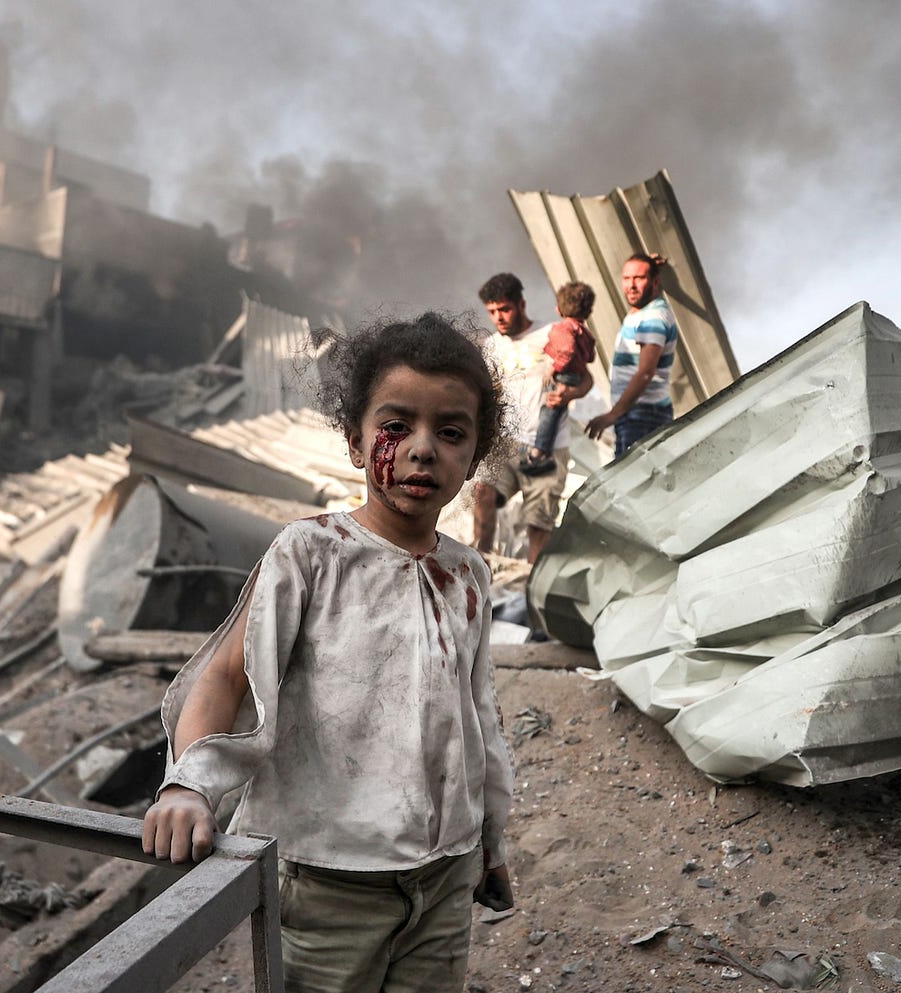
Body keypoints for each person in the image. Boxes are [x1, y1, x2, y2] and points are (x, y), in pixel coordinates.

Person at [142, 313, 515, 993]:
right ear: (355, 441)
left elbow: (476, 713)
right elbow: (227, 673)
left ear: (473, 456)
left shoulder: (468, 574)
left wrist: (489, 837)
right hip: (327, 883)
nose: (423, 449)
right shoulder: (310, 552)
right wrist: (186, 783)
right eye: (397, 425)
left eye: (451, 432)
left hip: (444, 876)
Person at [473, 273, 593, 564]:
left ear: (521, 304)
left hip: (547, 448)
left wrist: (568, 394)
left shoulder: (552, 333)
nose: (499, 318)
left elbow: (586, 380)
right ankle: (479, 565)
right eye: (492, 311)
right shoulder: (492, 346)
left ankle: (529, 589)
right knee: (482, 495)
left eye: (504, 309)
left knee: (538, 527)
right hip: (507, 444)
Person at [586, 253, 678, 457]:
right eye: (627, 278)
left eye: (639, 278)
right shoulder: (647, 309)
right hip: (639, 413)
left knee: (634, 483)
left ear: (655, 282)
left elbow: (646, 372)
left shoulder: (652, 318)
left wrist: (613, 414)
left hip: (641, 415)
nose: (631, 285)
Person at [520, 282, 596, 476]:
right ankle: (542, 450)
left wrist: (552, 370)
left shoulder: (562, 329)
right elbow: (590, 357)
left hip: (562, 375)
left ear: (559, 309)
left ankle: (538, 453)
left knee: (549, 412)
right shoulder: (585, 333)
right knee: (554, 413)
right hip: (574, 376)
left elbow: (567, 352)